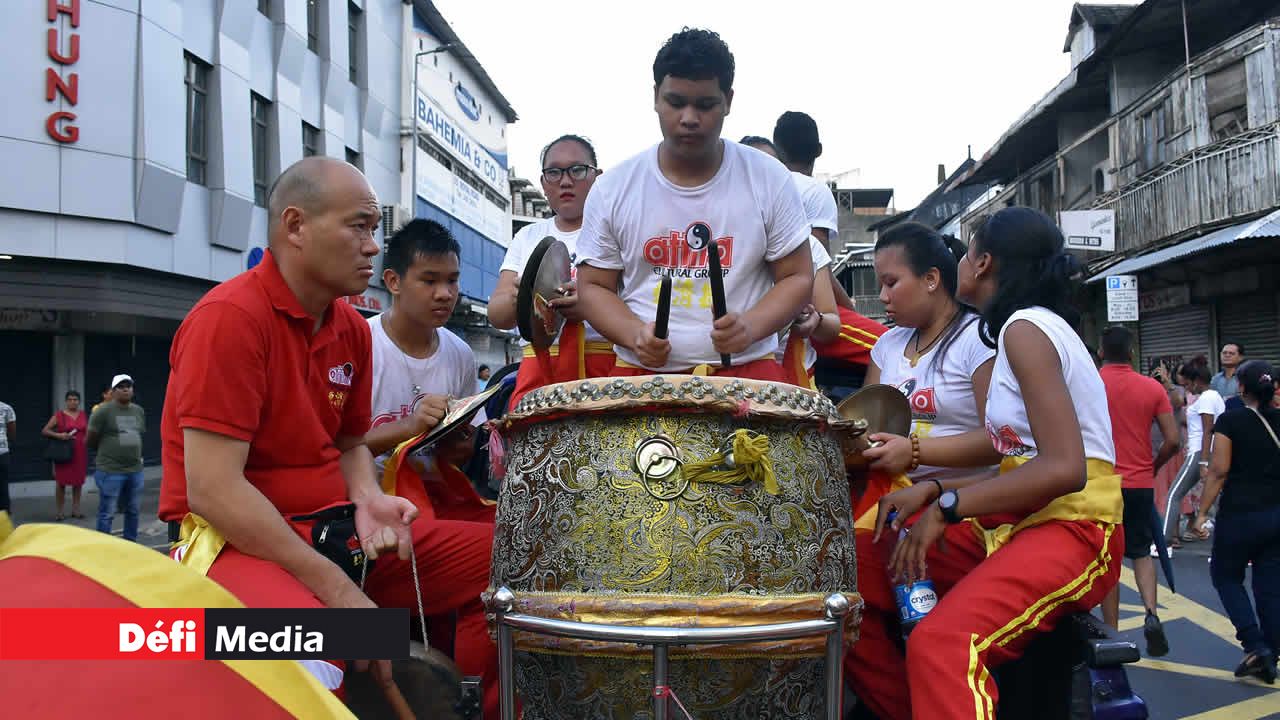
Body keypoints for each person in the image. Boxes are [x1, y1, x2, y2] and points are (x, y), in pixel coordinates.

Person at [158, 157, 498, 715]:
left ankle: (474, 703)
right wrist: (342, 594)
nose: (371, 246)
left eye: (375, 230)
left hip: (338, 534)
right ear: (295, 227)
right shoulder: (229, 319)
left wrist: (368, 500)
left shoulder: (348, 329)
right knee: (312, 655)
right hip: (244, 545)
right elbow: (212, 491)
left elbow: (348, 446)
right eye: (358, 227)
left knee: (512, 558)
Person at [871, 207, 1123, 720]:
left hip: (1073, 528)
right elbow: (1018, 463)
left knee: (945, 647)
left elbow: (1062, 470)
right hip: (1023, 520)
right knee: (871, 552)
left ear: (982, 264)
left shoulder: (1026, 329)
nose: (961, 260)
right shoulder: (1015, 330)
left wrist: (948, 503)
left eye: (965, 252)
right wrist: (931, 489)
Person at [577, 28, 813, 382]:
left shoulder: (768, 177)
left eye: (705, 105)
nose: (689, 117)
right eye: (676, 102)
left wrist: (749, 327)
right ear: (656, 96)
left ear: (728, 101)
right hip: (642, 374)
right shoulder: (613, 187)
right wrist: (634, 335)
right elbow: (593, 286)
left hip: (747, 374)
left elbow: (796, 275)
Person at [844, 221, 999, 720]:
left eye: (892, 283)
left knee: (872, 577)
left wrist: (914, 453)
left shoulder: (981, 340)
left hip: (966, 505)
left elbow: (1002, 442)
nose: (883, 296)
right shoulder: (887, 347)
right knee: (836, 592)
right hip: (889, 504)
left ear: (932, 279)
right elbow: (864, 424)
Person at [490, 135, 610, 406]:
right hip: (540, 369)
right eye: (554, 172)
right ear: (544, 184)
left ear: (598, 177)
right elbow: (497, 315)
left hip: (603, 369)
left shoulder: (617, 232)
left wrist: (593, 304)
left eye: (577, 170)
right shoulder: (527, 236)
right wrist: (522, 298)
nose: (565, 181)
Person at [1193, 360, 1280, 683]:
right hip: (1276, 514)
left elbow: (1218, 470)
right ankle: (1270, 651)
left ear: (1241, 387)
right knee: (1270, 585)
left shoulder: (1231, 421)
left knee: (1226, 576)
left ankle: (1255, 644)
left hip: (1241, 514)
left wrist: (1202, 513)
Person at [1096, 327, 1180, 653]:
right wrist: (1153, 466)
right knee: (1142, 551)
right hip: (1141, 483)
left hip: (1101, 483)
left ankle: (1112, 632)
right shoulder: (1152, 388)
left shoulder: (1088, 385)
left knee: (1107, 558)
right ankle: (1151, 614)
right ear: (1131, 353)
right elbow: (1173, 440)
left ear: (1102, 352)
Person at [737, 134, 841, 388]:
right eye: (750, 175)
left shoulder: (810, 246)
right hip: (729, 381)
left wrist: (814, 320)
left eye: (772, 174)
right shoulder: (709, 245)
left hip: (795, 385)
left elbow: (832, 323)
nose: (763, 185)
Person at [1164, 361, 1226, 543]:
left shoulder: (1206, 398)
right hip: (1208, 451)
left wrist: (1203, 462)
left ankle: (1163, 542)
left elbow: (1208, 430)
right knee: (1218, 500)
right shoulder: (1213, 396)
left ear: (1197, 381)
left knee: (1173, 495)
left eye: (1188, 384)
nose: (1188, 389)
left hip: (1200, 452)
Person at [87, 374, 145, 541]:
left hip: (135, 470)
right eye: (121, 386)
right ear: (113, 391)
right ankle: (105, 546)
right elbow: (90, 439)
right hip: (110, 471)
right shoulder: (103, 411)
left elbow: (139, 435)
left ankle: (131, 544)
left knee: (133, 510)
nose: (126, 389)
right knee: (107, 512)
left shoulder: (138, 411)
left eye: (129, 386)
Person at [42, 390, 90, 520]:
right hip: (63, 452)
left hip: (80, 452)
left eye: (75, 399)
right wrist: (59, 435)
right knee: (61, 482)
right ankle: (59, 512)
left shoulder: (83, 415)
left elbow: (87, 431)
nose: (73, 402)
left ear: (79, 401)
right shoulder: (59, 415)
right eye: (70, 399)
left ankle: (76, 510)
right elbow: (45, 430)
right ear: (66, 401)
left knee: (78, 482)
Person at [0, 399, 14, 514]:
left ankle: (4, 515)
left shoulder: (6, 409)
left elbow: (12, 432)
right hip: (3, 452)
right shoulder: (7, 408)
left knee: (3, 486)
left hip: (2, 453)